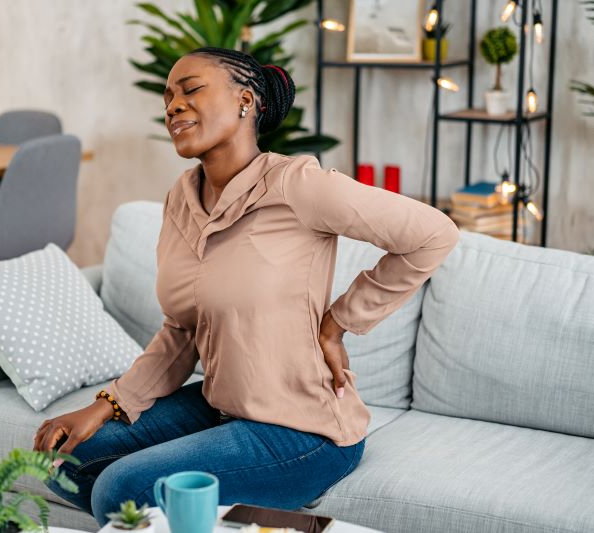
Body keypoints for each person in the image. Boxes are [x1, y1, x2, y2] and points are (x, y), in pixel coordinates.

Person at [34, 46, 460, 527]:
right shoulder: (180, 199)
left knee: (124, 488)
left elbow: (432, 234)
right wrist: (107, 404)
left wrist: (339, 322)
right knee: (60, 460)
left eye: (191, 90)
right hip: (221, 407)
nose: (173, 106)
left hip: (303, 431)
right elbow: (181, 331)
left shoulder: (298, 185)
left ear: (245, 100)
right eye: (168, 97)